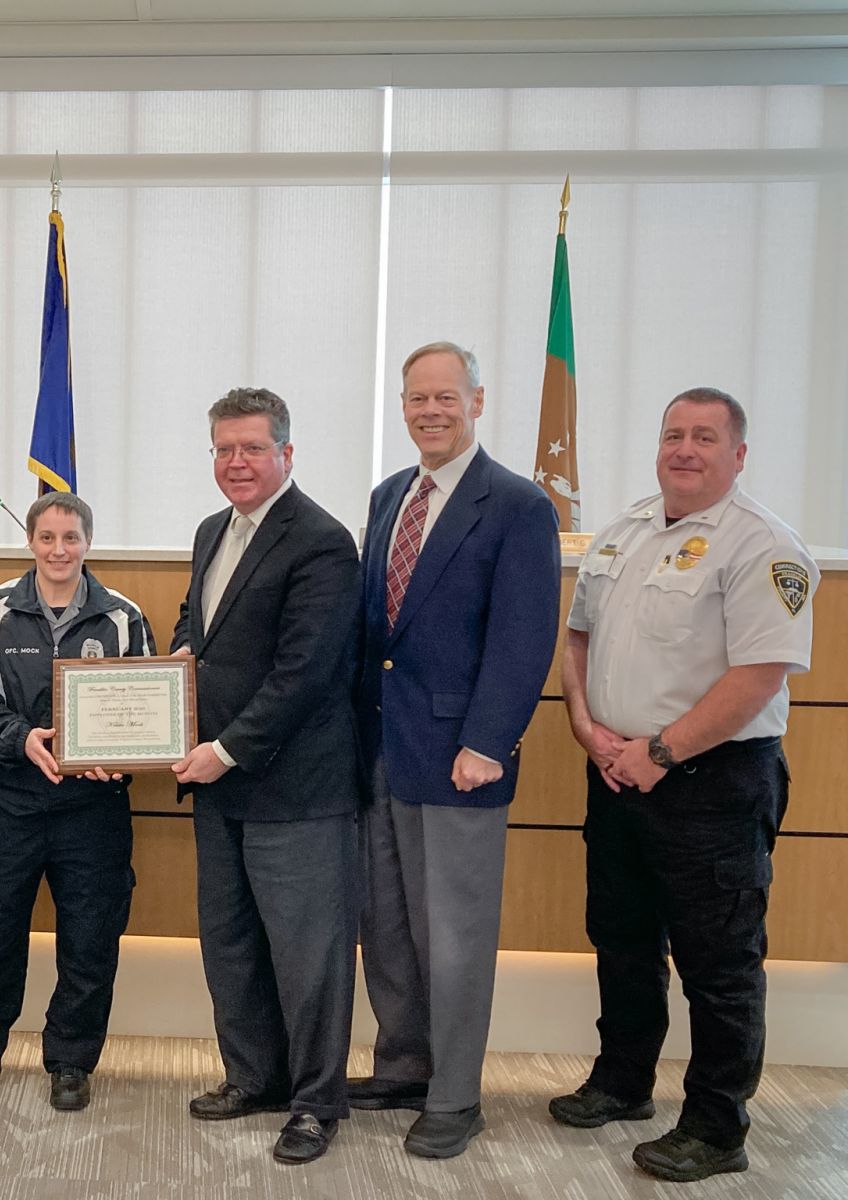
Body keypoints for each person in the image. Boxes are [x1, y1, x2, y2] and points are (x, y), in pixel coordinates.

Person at [551, 387, 816, 1183]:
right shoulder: (625, 531)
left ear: (738, 453)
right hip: (615, 769)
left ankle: (715, 1126)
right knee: (622, 940)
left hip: (712, 781)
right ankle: (624, 1083)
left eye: (705, 437)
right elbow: (578, 636)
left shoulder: (763, 546)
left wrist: (660, 752)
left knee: (719, 960)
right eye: (674, 434)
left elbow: (759, 674)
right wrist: (585, 725)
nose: (684, 449)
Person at [349, 342, 560, 1157]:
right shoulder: (387, 496)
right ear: (401, 406)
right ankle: (403, 1064)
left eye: (446, 397)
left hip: (460, 757)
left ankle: (455, 1095)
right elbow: (378, 633)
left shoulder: (516, 504)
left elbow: (523, 635)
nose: (430, 411)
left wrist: (488, 741)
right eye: (416, 399)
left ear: (477, 399)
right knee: (390, 926)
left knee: (457, 936)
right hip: (381, 749)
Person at [169, 386, 364, 1165]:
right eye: (224, 448)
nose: (237, 462)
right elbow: (198, 623)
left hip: (296, 788)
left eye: (252, 448)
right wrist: (181, 657)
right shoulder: (213, 530)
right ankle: (253, 1077)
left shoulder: (321, 540)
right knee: (231, 943)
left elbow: (305, 674)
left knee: (309, 955)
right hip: (219, 787)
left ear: (287, 452)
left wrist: (224, 748)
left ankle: (317, 1103)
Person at [0, 491, 155, 1112]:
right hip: (9, 801)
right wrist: (19, 738)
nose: (60, 550)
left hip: (94, 808)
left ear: (88, 542)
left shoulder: (122, 618)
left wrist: (124, 752)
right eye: (48, 537)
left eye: (72, 538)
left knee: (90, 938)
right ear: (30, 541)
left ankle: (72, 1062)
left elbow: (143, 704)